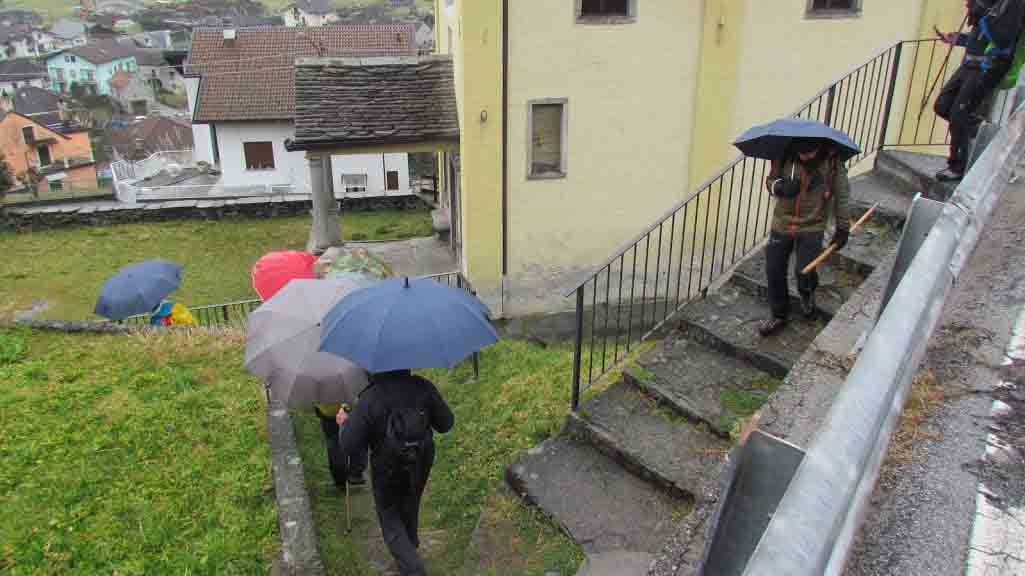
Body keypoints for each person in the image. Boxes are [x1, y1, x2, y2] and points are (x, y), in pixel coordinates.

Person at [337, 369, 454, 576]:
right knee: (411, 501)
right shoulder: (423, 386)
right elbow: (446, 423)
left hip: (387, 465)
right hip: (421, 458)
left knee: (389, 515)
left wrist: (344, 423)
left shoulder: (370, 397)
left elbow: (350, 445)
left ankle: (412, 568)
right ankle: (409, 550)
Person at [759, 138, 850, 337]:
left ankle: (807, 294)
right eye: (801, 153)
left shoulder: (832, 163)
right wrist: (779, 187)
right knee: (774, 270)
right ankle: (778, 314)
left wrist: (843, 228)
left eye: (809, 153)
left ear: (819, 148)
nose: (805, 157)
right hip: (782, 224)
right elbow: (769, 181)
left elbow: (842, 196)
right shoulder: (784, 156)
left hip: (812, 226)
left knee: (804, 271)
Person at [934, 0, 1025, 181]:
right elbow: (982, 35)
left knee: (959, 114)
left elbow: (1003, 39)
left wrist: (983, 13)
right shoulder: (990, 5)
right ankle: (984, 134)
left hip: (988, 67)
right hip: (969, 64)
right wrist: (959, 39)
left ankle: (957, 167)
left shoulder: (1013, 4)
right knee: (942, 105)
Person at [312, 401, 368, 488]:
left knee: (333, 441)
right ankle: (355, 472)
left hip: (328, 409)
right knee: (357, 436)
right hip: (351, 408)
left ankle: (340, 478)